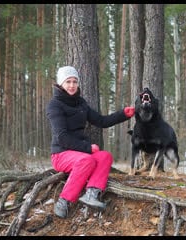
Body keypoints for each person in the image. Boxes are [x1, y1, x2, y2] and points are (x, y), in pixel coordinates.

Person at [46, 66, 135, 219]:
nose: (72, 85)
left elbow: (101, 121)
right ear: (61, 84)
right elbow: (62, 137)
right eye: (68, 82)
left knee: (105, 156)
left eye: (75, 81)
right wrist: (87, 148)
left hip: (79, 153)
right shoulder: (54, 105)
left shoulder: (81, 103)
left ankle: (92, 194)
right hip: (61, 154)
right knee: (86, 160)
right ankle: (64, 201)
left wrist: (123, 114)